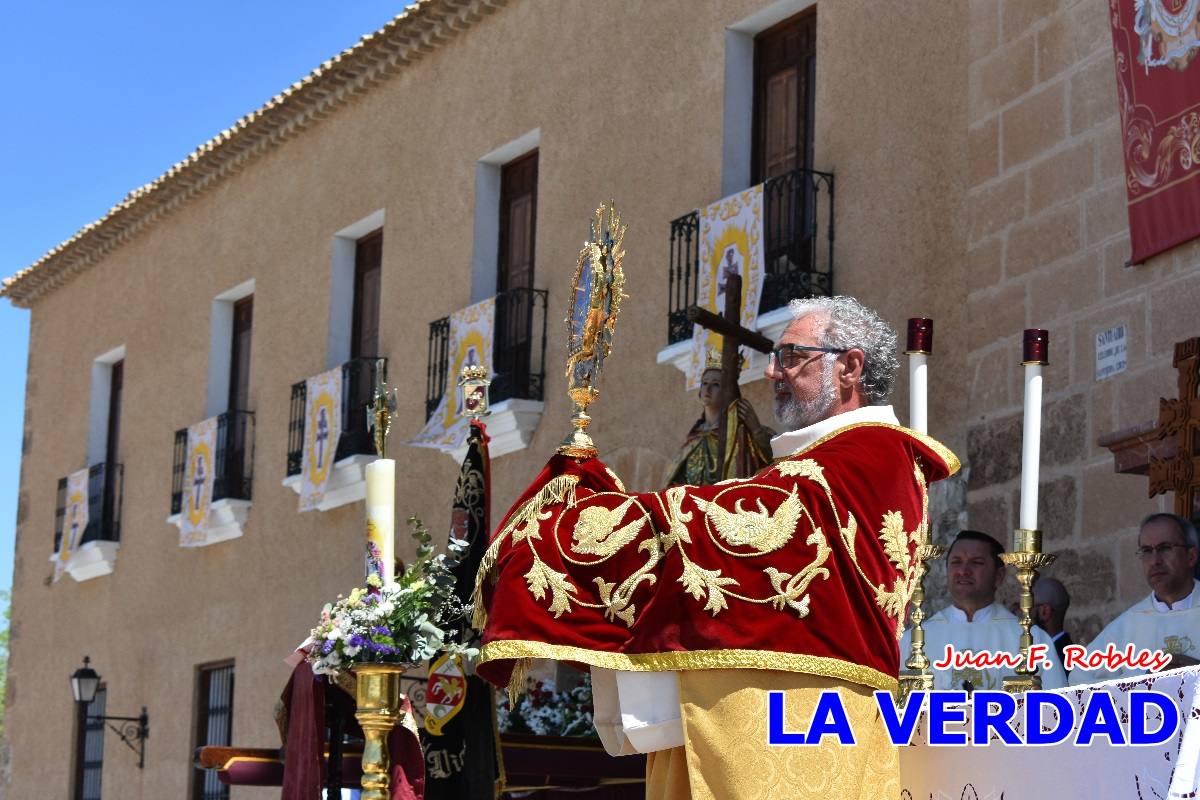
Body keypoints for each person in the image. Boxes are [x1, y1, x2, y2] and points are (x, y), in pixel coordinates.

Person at [475, 296, 960, 799]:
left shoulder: (868, 452)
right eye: (775, 356)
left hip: (804, 721)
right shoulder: (840, 457)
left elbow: (736, 526)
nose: (772, 371)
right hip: (778, 708)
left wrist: (587, 520)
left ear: (850, 367)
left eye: (792, 357)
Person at [900, 531, 1066, 691]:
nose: (964, 571)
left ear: (999, 575)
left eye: (976, 562)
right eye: (956, 562)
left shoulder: (1034, 641)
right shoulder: (913, 641)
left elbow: (1055, 712)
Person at [1070, 512, 1200, 684]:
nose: (1155, 560)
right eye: (1146, 551)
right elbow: (1078, 680)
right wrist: (1144, 678)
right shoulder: (1126, 625)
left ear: (1191, 556)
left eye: (1165, 548)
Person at [665, 351, 774, 486]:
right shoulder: (695, 436)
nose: (708, 388)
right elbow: (677, 480)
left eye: (716, 384)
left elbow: (775, 459)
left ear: (728, 390)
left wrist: (756, 429)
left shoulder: (741, 433)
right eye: (704, 383)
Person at [1031, 576, 1073, 673]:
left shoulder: (1054, 660)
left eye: (1030, 609)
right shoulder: (1069, 654)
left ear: (1045, 611)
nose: (1025, 616)